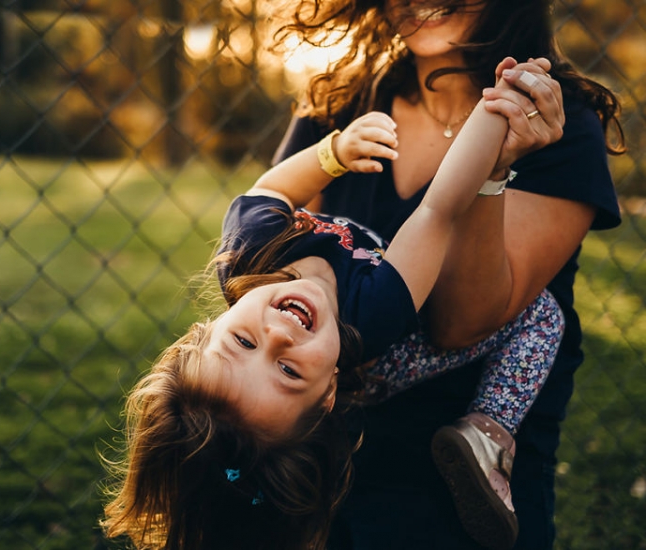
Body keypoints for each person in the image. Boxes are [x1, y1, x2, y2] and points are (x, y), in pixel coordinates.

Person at [101, 84, 564, 550]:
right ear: (328, 395)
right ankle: (489, 430)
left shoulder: (249, 250)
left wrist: (334, 152)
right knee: (543, 314)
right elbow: (437, 208)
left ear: (207, 329)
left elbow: (272, 189)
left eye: (243, 342)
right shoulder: (375, 313)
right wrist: (494, 117)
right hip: (386, 363)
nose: (279, 335)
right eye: (287, 370)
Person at [271, 0, 623, 548]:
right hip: (312, 452)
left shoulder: (558, 125)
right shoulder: (339, 98)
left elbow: (461, 325)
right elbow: (269, 232)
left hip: (457, 492)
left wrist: (492, 170)